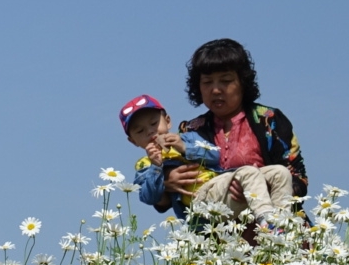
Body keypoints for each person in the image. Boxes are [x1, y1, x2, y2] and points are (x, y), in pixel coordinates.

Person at [161, 39, 306, 214]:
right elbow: (163, 202)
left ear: (243, 83)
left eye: (226, 80)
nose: (215, 90)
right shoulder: (189, 131)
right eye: (207, 82)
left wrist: (259, 190)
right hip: (216, 235)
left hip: (275, 234)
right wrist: (167, 183)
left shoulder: (269, 120)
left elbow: (299, 179)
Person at [120, 93, 289, 222]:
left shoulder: (187, 138)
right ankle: (268, 222)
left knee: (279, 173)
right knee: (249, 172)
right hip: (201, 204)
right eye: (140, 131)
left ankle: (284, 225)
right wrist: (157, 168)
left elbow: (215, 155)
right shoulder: (144, 165)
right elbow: (149, 197)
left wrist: (184, 148)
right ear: (133, 141)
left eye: (153, 123)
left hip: (222, 188)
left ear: (168, 121)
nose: (150, 131)